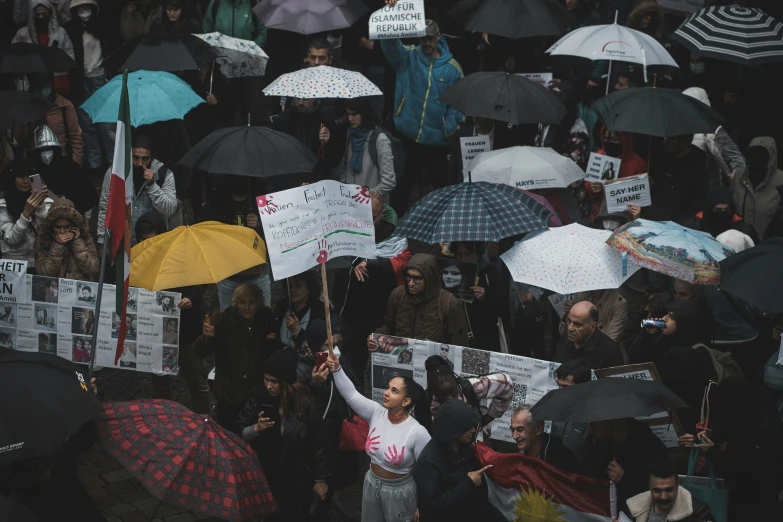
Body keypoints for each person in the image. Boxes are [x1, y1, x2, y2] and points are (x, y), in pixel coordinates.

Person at [326, 351, 431, 522]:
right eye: (388, 387)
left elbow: (428, 472)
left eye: (394, 391)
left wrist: (422, 506)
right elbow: (351, 395)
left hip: (400, 493)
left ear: (405, 401)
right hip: (371, 484)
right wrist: (337, 369)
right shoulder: (376, 413)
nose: (386, 392)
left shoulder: (418, 432)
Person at [239, 349, 335, 520]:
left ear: (285, 383)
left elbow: (318, 443)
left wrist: (321, 479)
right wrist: (256, 428)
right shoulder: (257, 399)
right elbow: (240, 436)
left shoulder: (304, 405)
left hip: (296, 478)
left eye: (274, 381)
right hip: (266, 476)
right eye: (266, 380)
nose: (268, 385)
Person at [380, 19, 465, 209]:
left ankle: (445, 231)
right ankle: (393, 230)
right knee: (401, 188)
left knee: (442, 189)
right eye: (422, 39)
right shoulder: (408, 57)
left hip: (436, 141)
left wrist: (448, 128)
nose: (426, 43)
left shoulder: (453, 68)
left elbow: (459, 105)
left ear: (438, 37)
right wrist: (391, 15)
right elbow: (390, 45)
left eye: (430, 39)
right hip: (407, 136)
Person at [135, 211, 209, 413]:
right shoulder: (137, 257)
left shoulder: (180, 253)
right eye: (144, 240)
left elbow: (196, 285)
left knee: (197, 381)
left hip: (186, 330)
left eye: (154, 239)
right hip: (157, 334)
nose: (150, 244)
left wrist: (190, 299)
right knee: (160, 384)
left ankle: (203, 420)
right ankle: (166, 419)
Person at [194, 283, 277, 433]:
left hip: (255, 391)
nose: (246, 307)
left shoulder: (265, 320)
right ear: (235, 302)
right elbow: (200, 351)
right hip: (229, 392)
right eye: (242, 302)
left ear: (258, 303)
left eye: (251, 302)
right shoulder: (222, 321)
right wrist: (207, 337)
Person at [413, 399, 492, 522]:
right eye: (466, 428)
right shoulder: (429, 462)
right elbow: (431, 506)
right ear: (453, 431)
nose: (473, 430)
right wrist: (468, 483)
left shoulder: (466, 446)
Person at [371, 253, 470, 348]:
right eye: (408, 276)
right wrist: (376, 337)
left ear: (429, 278)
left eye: (417, 278)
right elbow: (388, 326)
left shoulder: (447, 302)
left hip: (433, 361)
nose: (411, 283)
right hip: (401, 357)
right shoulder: (398, 295)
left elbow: (459, 343)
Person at [200, 176, 271, 309]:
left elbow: (276, 228)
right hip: (229, 272)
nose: (238, 179)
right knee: (227, 317)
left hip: (257, 270)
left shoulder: (261, 192)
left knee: (263, 316)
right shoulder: (218, 198)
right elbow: (207, 230)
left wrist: (259, 223)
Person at [97, 134, 177, 247]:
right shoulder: (115, 174)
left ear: (152, 157)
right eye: (135, 158)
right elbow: (105, 208)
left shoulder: (164, 175)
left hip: (153, 244)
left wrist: (153, 185)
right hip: (122, 244)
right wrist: (102, 241)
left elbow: (170, 210)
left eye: (145, 159)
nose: (140, 163)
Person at [64, 0, 115, 174]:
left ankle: (114, 165)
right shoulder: (70, 29)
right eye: (80, 8)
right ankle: (95, 165)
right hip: (81, 80)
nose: (84, 11)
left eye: (87, 8)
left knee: (107, 125)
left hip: (101, 77)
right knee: (86, 124)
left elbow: (111, 50)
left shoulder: (102, 26)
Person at [586, 417, 668, 507]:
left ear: (608, 423)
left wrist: (624, 479)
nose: (590, 431)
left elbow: (660, 489)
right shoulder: (598, 445)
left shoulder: (649, 446)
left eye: (593, 426)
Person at [425, 355, 512, 433]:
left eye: (452, 392)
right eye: (443, 395)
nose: (450, 398)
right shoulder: (424, 403)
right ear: (433, 392)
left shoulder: (471, 388)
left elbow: (506, 382)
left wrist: (489, 417)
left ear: (455, 382)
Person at [682, 87, 746, 189]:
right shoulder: (679, 129)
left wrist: (736, 175)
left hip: (710, 191)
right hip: (686, 190)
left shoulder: (714, 130)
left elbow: (736, 158)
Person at [28, 125, 97, 213]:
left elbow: (85, 192)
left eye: (49, 149)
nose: (46, 153)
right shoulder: (33, 170)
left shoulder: (69, 165)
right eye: (42, 150)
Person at [0, 159, 52, 272]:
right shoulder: (2, 205)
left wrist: (41, 205)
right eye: (20, 176)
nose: (26, 181)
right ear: (12, 178)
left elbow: (44, 234)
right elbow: (12, 240)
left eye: (29, 176)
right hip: (14, 266)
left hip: (40, 263)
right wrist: (26, 212)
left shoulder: (47, 202)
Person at [12, 0, 75, 93]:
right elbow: (12, 58)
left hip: (54, 84)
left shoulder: (61, 33)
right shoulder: (23, 34)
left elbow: (70, 57)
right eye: (37, 14)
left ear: (50, 13)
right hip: (30, 86)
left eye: (44, 14)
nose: (41, 17)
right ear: (32, 15)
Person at [341, 98, 396, 201]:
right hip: (350, 201)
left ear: (364, 114)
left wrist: (366, 196)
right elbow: (345, 166)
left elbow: (389, 181)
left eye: (354, 114)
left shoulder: (380, 139)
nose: (350, 119)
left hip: (372, 205)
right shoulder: (351, 134)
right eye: (348, 114)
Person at [647, 134, 709, 224]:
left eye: (672, 139)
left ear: (686, 141)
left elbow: (697, 203)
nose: (665, 142)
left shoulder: (698, 169)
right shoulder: (663, 160)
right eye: (665, 138)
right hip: (654, 220)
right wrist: (653, 185)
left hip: (677, 226)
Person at [624, 460, 715, 522]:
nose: (663, 496)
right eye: (657, 491)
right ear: (649, 486)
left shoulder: (698, 512)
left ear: (677, 485)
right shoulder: (635, 508)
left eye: (669, 490)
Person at [588, 128, 648, 221]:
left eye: (614, 139)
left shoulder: (638, 164)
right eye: (606, 138)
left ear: (624, 141)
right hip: (600, 215)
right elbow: (588, 184)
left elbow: (639, 197)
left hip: (625, 218)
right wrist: (592, 188)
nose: (609, 142)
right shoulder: (599, 156)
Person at [28, 73, 85, 167]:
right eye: (41, 86)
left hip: (62, 163)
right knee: (37, 182)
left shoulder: (65, 106)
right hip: (37, 165)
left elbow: (76, 137)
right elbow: (25, 140)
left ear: (52, 84)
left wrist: (75, 165)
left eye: (46, 84)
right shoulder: (30, 108)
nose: (44, 88)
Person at [732, 136, 783, 240]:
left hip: (768, 245)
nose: (757, 157)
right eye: (753, 153)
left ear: (770, 156)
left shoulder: (780, 181)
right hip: (740, 241)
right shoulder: (739, 177)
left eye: (762, 153)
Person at [35, 200, 99, 280]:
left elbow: (92, 270)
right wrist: (58, 245)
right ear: (51, 226)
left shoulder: (85, 238)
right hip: (54, 288)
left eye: (66, 227)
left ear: (73, 226)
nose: (62, 231)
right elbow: (43, 273)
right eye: (57, 227)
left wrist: (77, 242)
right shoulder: (43, 240)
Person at [508, 405, 582, 474]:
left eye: (520, 430)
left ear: (538, 429)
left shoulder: (562, 458)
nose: (514, 436)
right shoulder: (514, 455)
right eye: (512, 430)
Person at [555, 301, 623, 370]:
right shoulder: (564, 341)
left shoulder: (609, 352)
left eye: (577, 324)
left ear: (593, 326)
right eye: (569, 321)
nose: (570, 328)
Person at [273, 270, 329, 350]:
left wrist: (297, 331)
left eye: (298, 286)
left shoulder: (320, 311)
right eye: (290, 286)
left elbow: (317, 347)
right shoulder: (282, 306)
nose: (292, 290)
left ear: (309, 287)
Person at [562, 290, 628, 345]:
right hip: (576, 347)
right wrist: (569, 313)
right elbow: (564, 332)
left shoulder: (619, 303)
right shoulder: (581, 295)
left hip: (602, 352)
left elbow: (611, 340)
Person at [691, 187, 756, 240]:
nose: (722, 214)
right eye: (718, 210)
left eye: (727, 210)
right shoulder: (695, 226)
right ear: (709, 209)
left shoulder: (742, 229)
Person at [202, 0, 266, 47]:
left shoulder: (253, 4)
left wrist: (252, 49)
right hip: (219, 58)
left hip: (246, 59)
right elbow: (206, 32)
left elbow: (262, 32)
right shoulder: (216, 3)